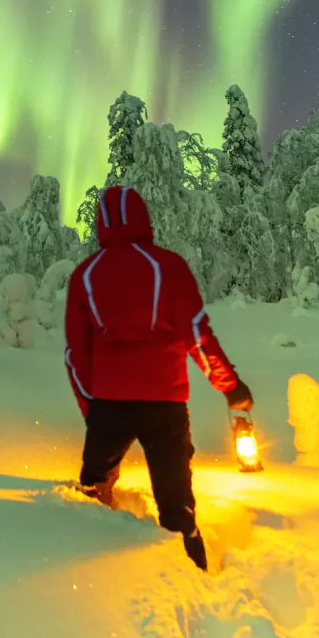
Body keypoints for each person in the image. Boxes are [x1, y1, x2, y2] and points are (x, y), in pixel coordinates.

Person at [64, 184, 253, 571]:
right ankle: (194, 573)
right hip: (165, 407)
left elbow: (75, 356)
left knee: (90, 494)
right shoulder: (167, 267)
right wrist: (231, 388)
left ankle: (91, 570)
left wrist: (93, 408)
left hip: (108, 406)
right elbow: (197, 336)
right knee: (175, 503)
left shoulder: (85, 276)